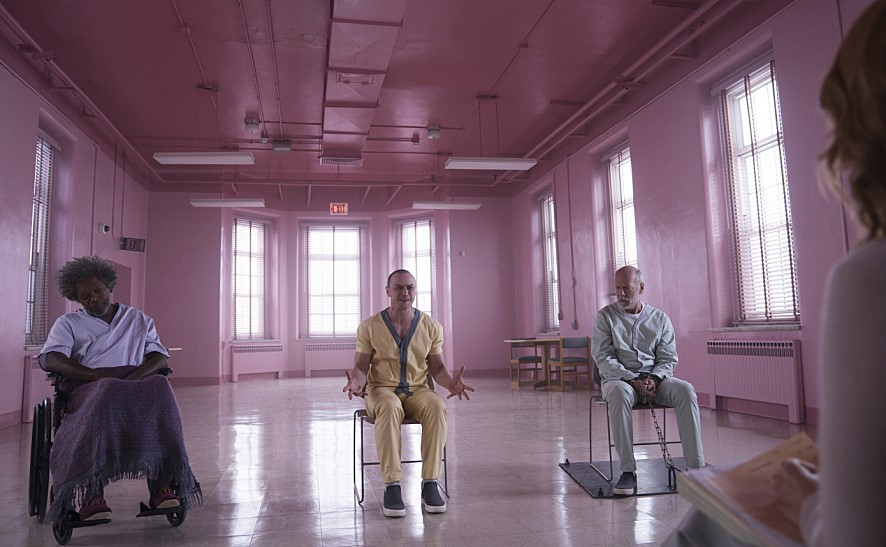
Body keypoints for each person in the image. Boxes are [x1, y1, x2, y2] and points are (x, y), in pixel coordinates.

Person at [665, 2, 886, 544]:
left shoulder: (870, 278)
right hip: (625, 383)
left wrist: (810, 500)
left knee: (703, 525)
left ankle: (697, 471)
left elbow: (854, 534)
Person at [40, 256, 202, 523]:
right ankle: (92, 494)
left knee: (160, 385)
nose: (93, 298)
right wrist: (98, 377)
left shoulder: (138, 319)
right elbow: (52, 359)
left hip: (134, 381)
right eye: (85, 296)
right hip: (89, 386)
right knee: (106, 389)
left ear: (109, 286)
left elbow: (159, 357)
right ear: (76, 298)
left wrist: (132, 378)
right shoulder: (68, 324)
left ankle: (161, 485)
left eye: (98, 290)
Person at [343, 269, 474, 518]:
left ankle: (430, 483)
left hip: (418, 390)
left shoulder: (431, 326)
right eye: (399, 287)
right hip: (381, 391)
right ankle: (392, 486)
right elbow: (360, 367)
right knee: (389, 406)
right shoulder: (369, 327)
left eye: (410, 287)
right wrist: (356, 383)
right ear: (388, 291)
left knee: (436, 406)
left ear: (415, 290)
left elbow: (437, 368)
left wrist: (451, 383)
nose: (405, 292)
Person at [591, 265, 704, 495]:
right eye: (617, 288)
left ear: (641, 288)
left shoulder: (660, 319)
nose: (621, 294)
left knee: (685, 390)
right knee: (619, 393)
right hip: (620, 381)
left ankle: (695, 468)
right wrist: (633, 379)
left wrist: (654, 378)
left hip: (655, 380)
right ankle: (627, 471)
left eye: (626, 288)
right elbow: (603, 358)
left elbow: (668, 358)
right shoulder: (605, 317)